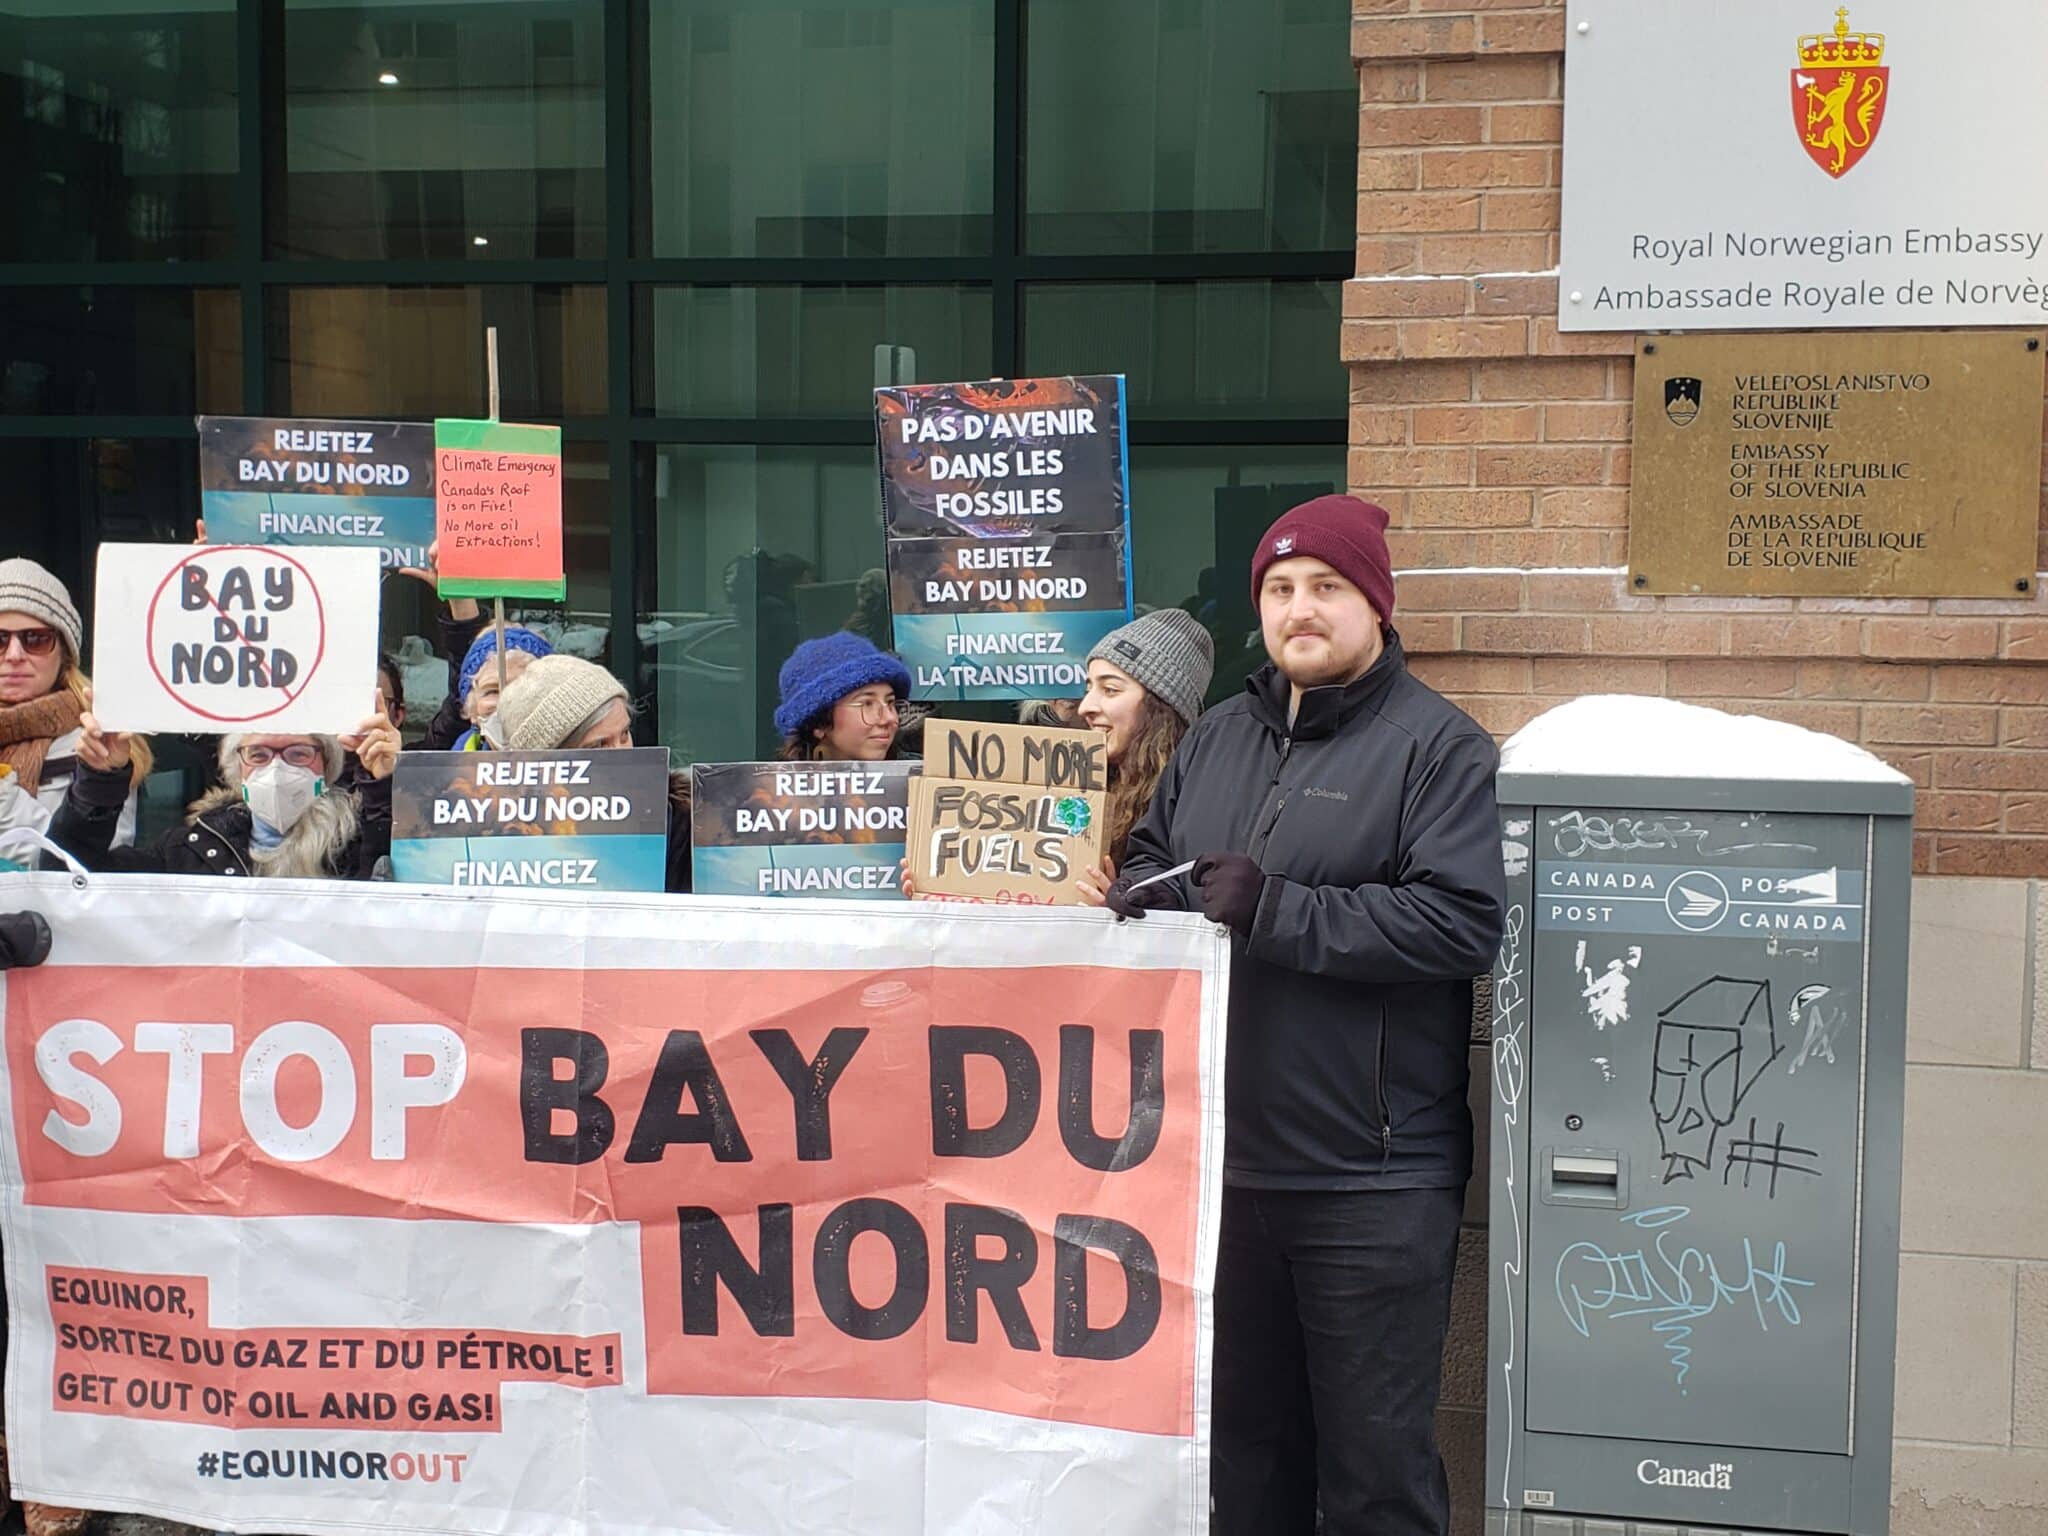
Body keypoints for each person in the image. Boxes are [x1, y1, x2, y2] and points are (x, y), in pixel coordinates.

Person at [1107, 494, 1506, 1536]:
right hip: (1217, 1172)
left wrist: (1279, 910)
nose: (1300, 609)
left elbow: (1458, 924)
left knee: (1374, 1478)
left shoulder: (1439, 748)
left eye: (1325, 586)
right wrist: (1137, 897)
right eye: (1279, 590)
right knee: (1241, 1465)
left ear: (1372, 602)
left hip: (1368, 1180)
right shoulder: (1220, 738)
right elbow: (1151, 860)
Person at [46, 713, 399, 880]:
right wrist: (98, 784)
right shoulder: (187, 852)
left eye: (297, 754)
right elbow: (64, 878)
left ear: (325, 768)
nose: (276, 770)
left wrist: (385, 788)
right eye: (258, 755)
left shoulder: (359, 844)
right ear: (237, 771)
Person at [495, 653, 693, 893]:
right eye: (599, 746)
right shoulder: (507, 840)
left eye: (624, 735)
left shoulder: (681, 824)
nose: (624, 756)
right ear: (548, 763)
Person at [0, 557, 151, 848]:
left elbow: (91, 866)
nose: (14, 655)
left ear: (65, 653)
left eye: (35, 639)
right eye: (0, 640)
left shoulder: (99, 739)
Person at [1069, 608, 1214, 905]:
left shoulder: (1192, 810)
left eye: (1110, 689)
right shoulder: (1073, 787)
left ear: (1158, 709)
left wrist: (1123, 909)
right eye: (1088, 688)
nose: (1085, 707)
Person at [773, 633, 912, 762]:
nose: (890, 718)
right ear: (819, 723)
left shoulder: (917, 782)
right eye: (867, 704)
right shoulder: (770, 786)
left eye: (890, 703)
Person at [446, 626, 553, 749]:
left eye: (521, 687)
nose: (507, 701)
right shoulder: (454, 765)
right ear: (473, 711)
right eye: (493, 691)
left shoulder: (575, 758)